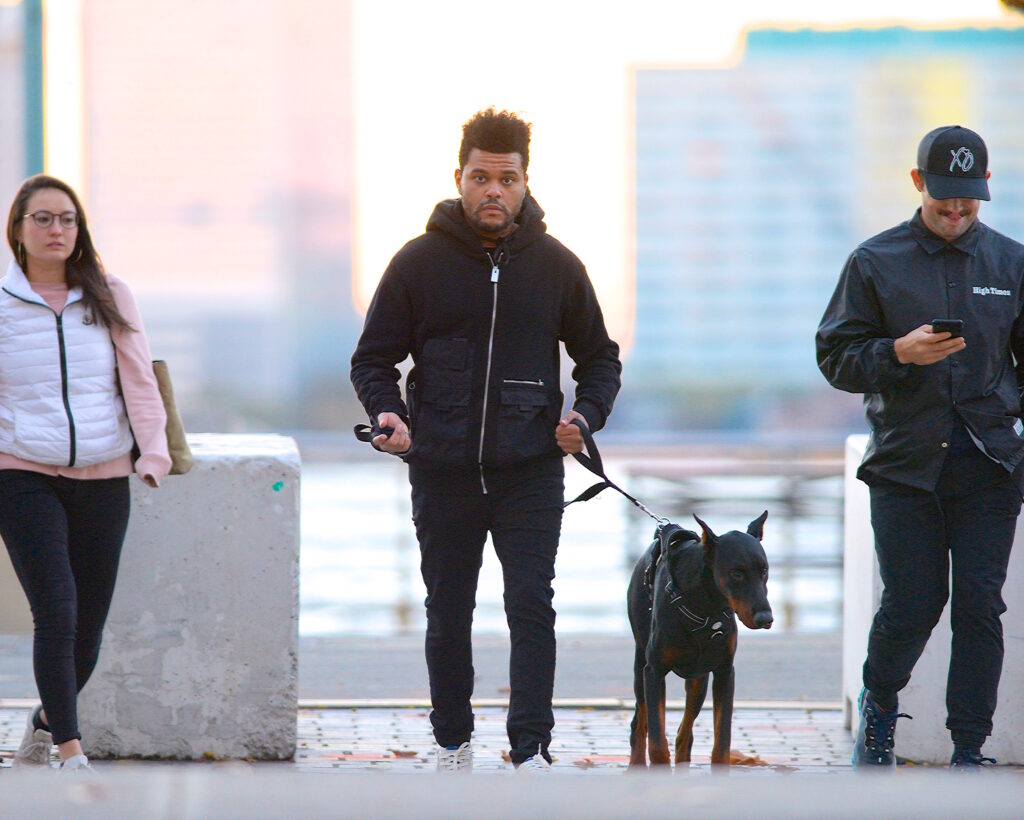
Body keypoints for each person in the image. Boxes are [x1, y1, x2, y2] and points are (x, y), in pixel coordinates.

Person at [350, 108, 621, 773]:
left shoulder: (558, 267)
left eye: (507, 178)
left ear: (526, 183)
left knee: (531, 603)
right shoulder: (417, 263)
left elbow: (601, 360)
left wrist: (583, 419)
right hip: (440, 469)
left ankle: (529, 745)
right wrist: (390, 415)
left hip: (529, 471)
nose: (493, 191)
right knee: (447, 610)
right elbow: (372, 359)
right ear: (459, 178)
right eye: (481, 177)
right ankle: (451, 739)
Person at [817, 125, 1024, 771]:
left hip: (992, 464)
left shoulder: (1013, 264)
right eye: (944, 205)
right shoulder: (874, 262)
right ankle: (879, 705)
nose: (957, 215)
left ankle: (970, 747)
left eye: (968, 204)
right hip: (906, 465)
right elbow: (835, 357)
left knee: (980, 606)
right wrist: (896, 353)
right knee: (912, 603)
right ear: (917, 186)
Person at [1, 175, 170, 773]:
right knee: (58, 610)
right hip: (20, 473)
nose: (56, 230)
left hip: (103, 474)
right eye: (42, 219)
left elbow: (139, 381)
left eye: (67, 219)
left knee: (88, 633)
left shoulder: (109, 293)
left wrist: (153, 453)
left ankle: (46, 722)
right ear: (18, 230)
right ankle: (71, 751)